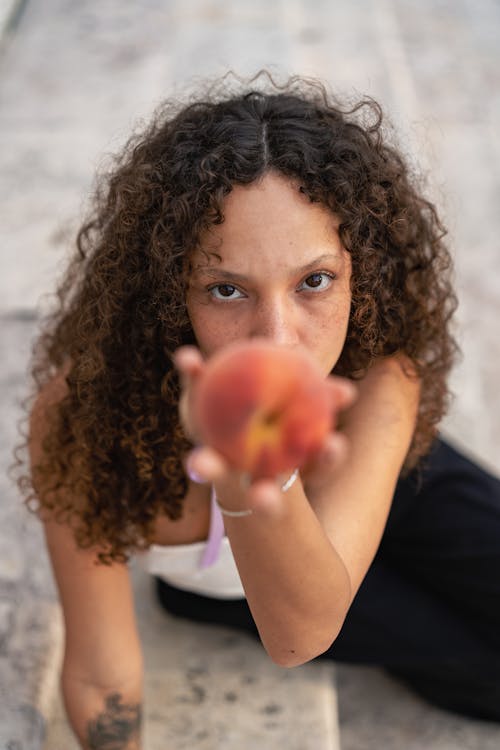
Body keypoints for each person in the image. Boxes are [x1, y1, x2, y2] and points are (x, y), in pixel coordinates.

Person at [18, 73, 500, 748]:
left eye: (315, 281)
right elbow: (289, 635)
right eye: (225, 289)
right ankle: (193, 597)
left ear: (361, 272)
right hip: (264, 589)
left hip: (391, 484)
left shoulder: (381, 379)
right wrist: (244, 464)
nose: (277, 338)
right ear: (168, 294)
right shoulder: (87, 417)